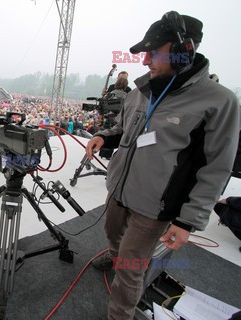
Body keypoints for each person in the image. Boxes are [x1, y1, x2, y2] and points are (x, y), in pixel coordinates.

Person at [85, 12, 240, 320]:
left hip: (155, 208)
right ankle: (117, 260)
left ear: (184, 51)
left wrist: (187, 222)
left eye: (153, 52)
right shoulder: (141, 90)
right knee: (114, 240)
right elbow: (122, 128)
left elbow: (216, 168)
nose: (145, 61)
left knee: (131, 270)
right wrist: (104, 137)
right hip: (118, 192)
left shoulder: (219, 101)